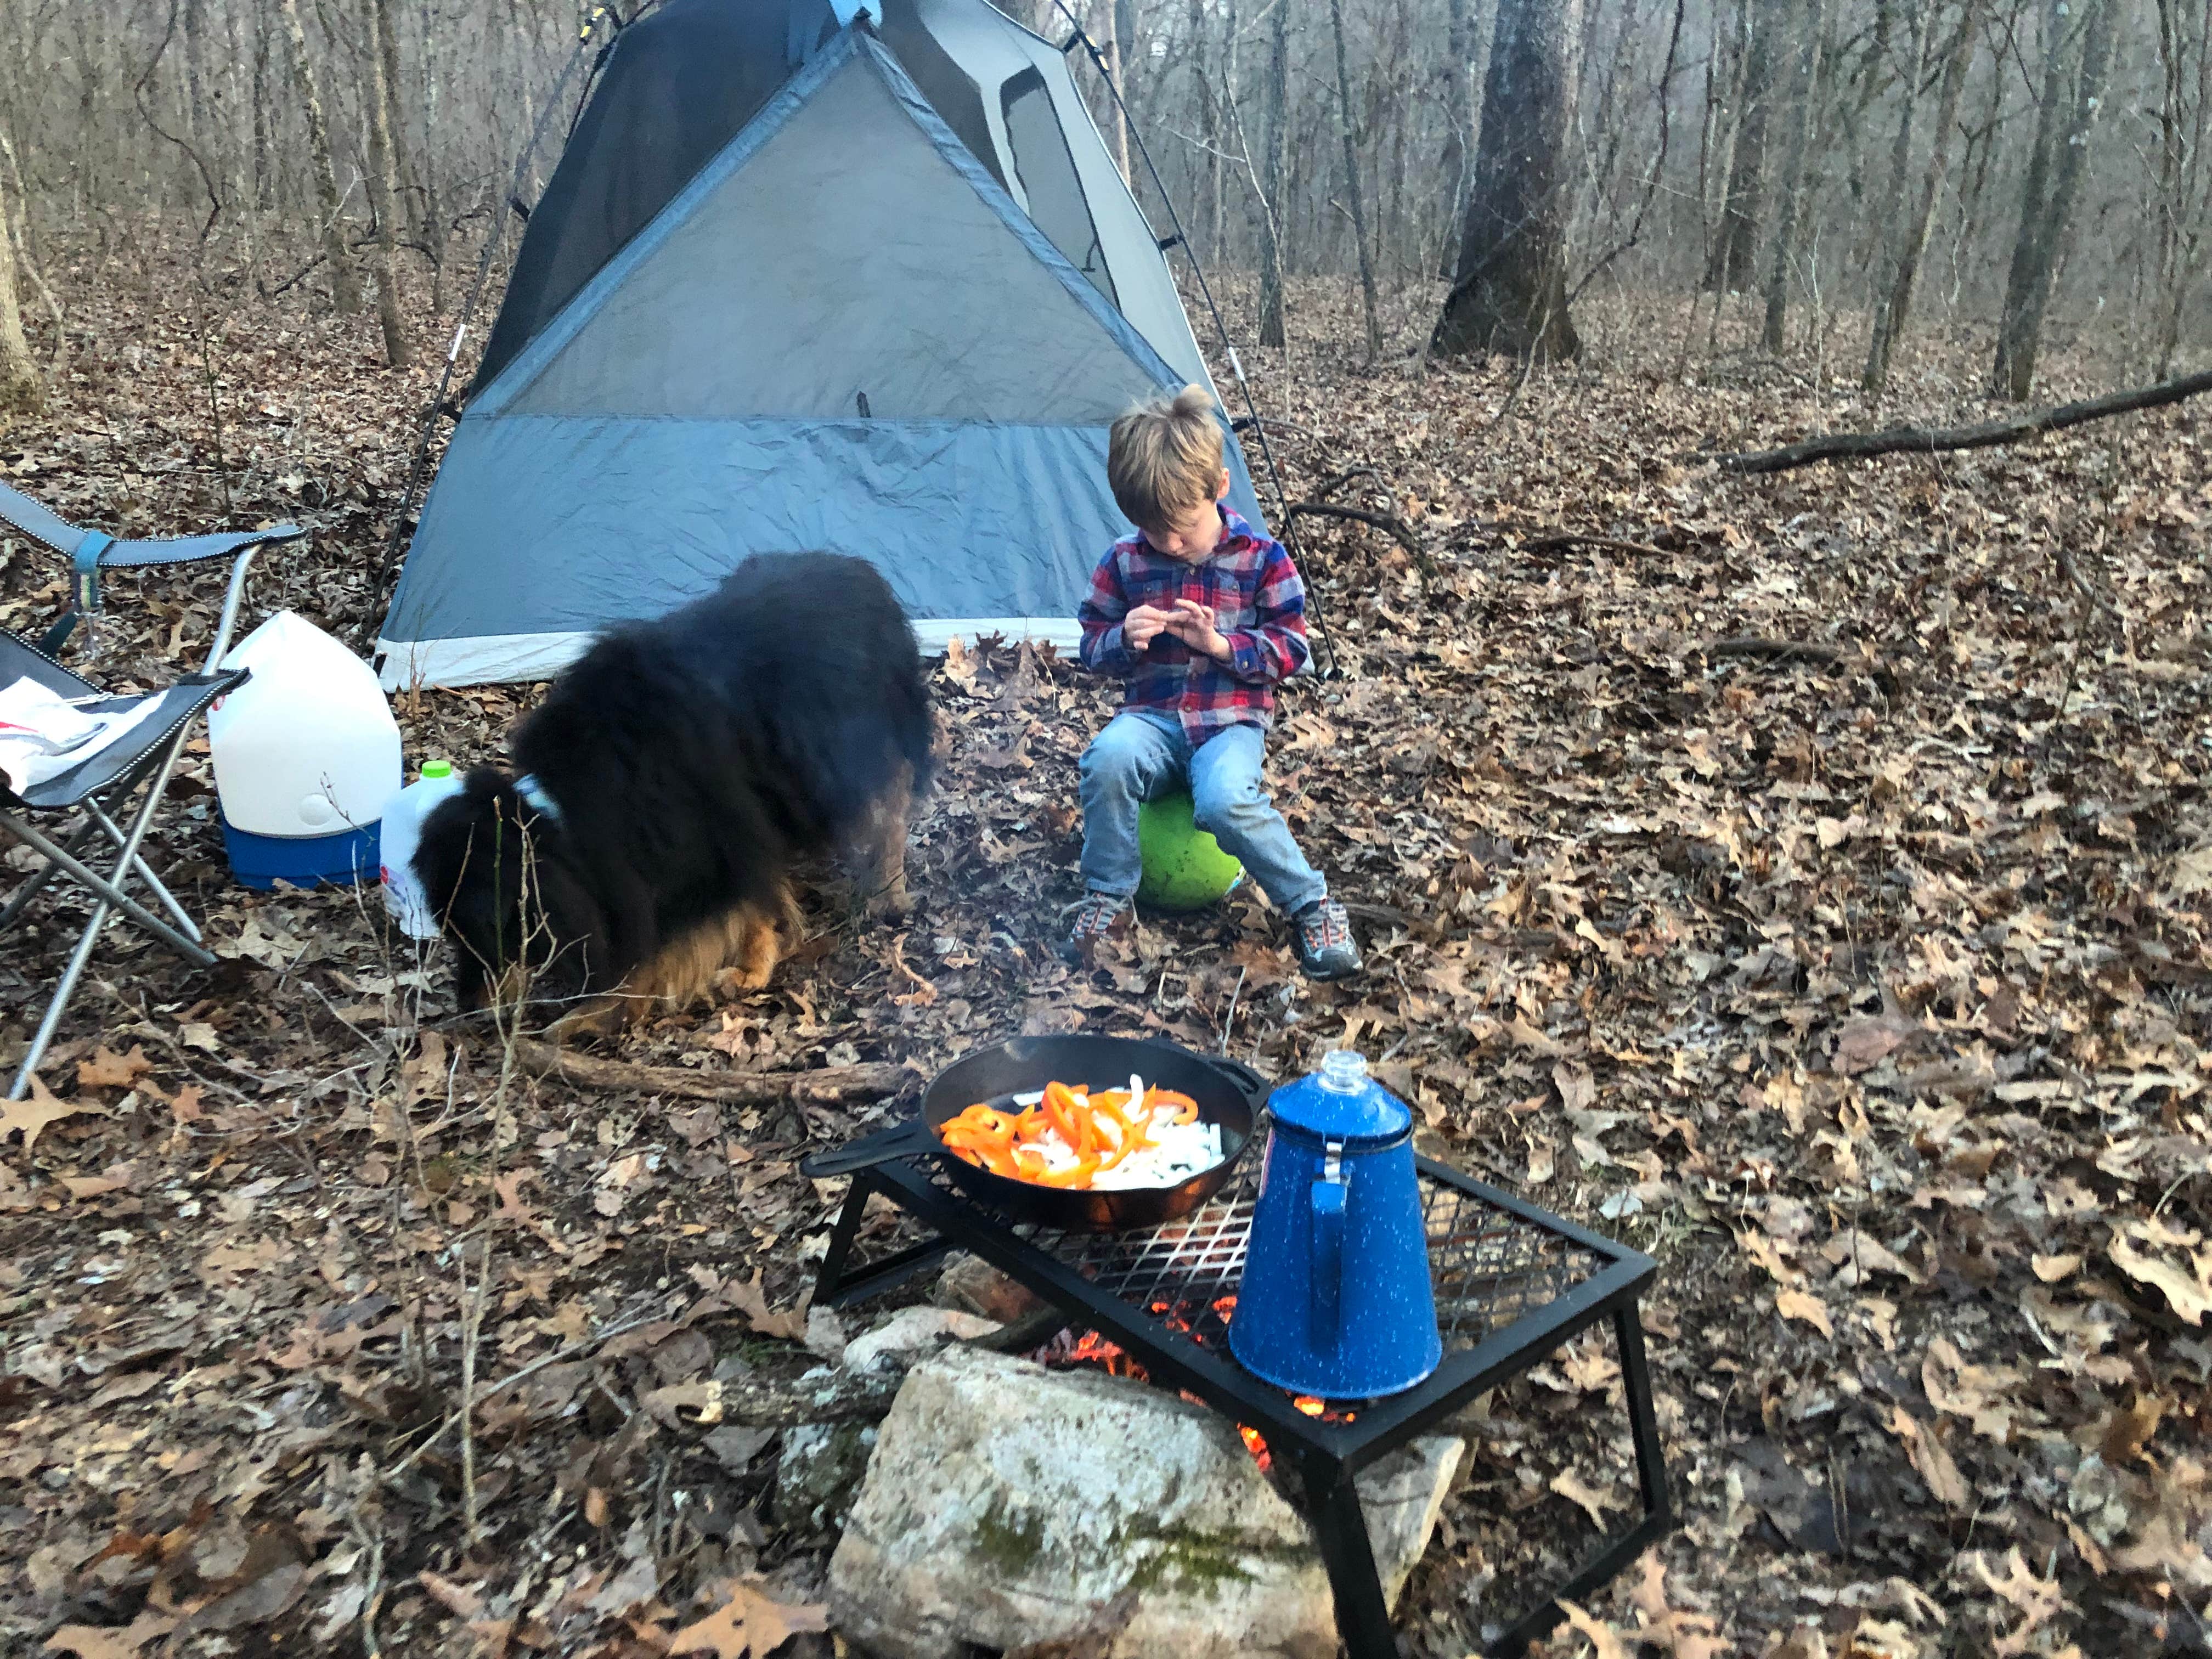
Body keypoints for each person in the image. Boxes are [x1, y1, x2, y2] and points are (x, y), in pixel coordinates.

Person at [1065, 385, 1361, 981]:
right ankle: (1109, 898)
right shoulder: (1124, 562)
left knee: (1225, 800)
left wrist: (1223, 645)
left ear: (1220, 487)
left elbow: (1293, 648)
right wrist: (1122, 638)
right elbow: (1091, 648)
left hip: (1230, 721)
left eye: (1181, 529)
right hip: (1153, 717)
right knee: (1108, 759)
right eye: (1153, 532)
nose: (1169, 545)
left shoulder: (1262, 558)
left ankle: (1313, 905)